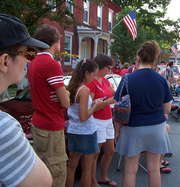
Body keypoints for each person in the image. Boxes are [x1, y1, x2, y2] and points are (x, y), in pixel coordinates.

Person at [0, 13, 52, 187]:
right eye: (28, 54)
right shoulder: (3, 127)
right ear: (5, 62)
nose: (31, 59)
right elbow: (42, 182)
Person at [114, 40, 172, 187]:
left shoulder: (127, 78)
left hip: (133, 127)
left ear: (138, 58)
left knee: (129, 171)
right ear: (154, 61)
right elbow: (167, 109)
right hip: (156, 127)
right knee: (154, 170)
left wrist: (117, 130)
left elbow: (118, 106)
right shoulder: (162, 80)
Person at [28, 24, 70, 187]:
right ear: (54, 40)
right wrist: (65, 94)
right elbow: (66, 103)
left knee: (42, 172)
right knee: (56, 173)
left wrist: (62, 93)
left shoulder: (33, 63)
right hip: (51, 125)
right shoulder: (52, 64)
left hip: (38, 123)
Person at [65, 58, 104, 187]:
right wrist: (95, 105)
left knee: (71, 166)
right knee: (87, 169)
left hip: (74, 130)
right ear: (86, 73)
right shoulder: (84, 90)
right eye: (93, 75)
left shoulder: (72, 87)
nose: (94, 78)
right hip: (86, 131)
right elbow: (83, 117)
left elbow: (77, 111)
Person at [85, 54, 117, 187]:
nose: (110, 71)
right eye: (108, 68)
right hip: (97, 120)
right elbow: (91, 105)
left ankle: (102, 176)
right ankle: (92, 181)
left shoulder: (105, 80)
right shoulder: (92, 82)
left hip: (108, 118)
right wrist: (108, 101)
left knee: (110, 151)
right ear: (100, 67)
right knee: (95, 154)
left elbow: (115, 93)